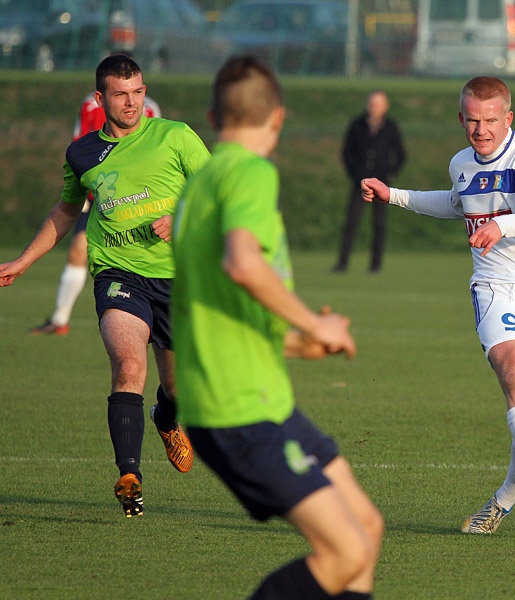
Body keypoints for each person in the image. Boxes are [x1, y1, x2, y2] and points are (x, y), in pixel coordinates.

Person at [172, 55, 383, 599]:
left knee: (366, 528)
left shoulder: (199, 185)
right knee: (346, 550)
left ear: (212, 116)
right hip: (238, 408)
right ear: (279, 118)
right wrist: (317, 322)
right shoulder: (249, 172)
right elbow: (242, 264)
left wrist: (297, 341)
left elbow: (219, 311)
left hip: (261, 395)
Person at [361, 75, 515, 534]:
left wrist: (502, 227)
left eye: (490, 120)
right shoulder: (461, 164)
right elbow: (457, 203)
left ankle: (501, 503)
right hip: (494, 283)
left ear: (508, 118)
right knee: (512, 366)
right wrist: (396, 195)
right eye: (472, 120)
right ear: (460, 117)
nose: (480, 129)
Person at [0, 54, 209, 517]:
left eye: (137, 92)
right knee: (129, 362)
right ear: (101, 98)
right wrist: (25, 260)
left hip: (177, 277)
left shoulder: (175, 135)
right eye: (121, 94)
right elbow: (67, 210)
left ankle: (167, 417)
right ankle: (129, 475)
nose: (132, 103)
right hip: (117, 273)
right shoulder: (82, 153)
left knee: (176, 388)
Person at [30, 91, 162, 336]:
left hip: (136, 200)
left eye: (135, 90)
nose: (129, 99)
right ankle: (60, 319)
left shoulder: (152, 109)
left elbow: (154, 150)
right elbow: (81, 144)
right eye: (119, 92)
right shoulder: (90, 106)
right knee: (78, 249)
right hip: (98, 192)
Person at [333, 90, 405, 274]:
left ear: (386, 106)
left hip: (381, 184)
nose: (374, 108)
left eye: (378, 104)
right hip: (360, 183)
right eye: (372, 104)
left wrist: (390, 174)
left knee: (379, 225)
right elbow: (346, 153)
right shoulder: (357, 125)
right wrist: (355, 174)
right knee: (351, 222)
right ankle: (342, 262)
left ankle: (375, 265)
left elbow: (400, 155)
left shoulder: (390, 127)